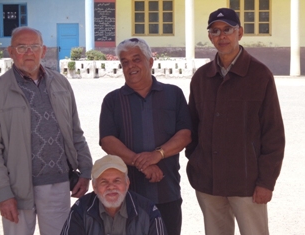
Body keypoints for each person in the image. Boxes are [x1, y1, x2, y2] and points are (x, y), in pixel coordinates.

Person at [186, 8, 285, 235]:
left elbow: (274, 134)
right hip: (209, 183)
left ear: (239, 33)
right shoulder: (201, 77)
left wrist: (266, 182)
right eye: (215, 31)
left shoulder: (260, 75)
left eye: (228, 30)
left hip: (247, 184)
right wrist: (199, 161)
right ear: (210, 36)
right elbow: (192, 126)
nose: (222, 36)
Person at [0, 26, 92, 235]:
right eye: (21, 47)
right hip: (17, 189)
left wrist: (86, 170)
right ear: (10, 52)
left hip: (58, 184)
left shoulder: (61, 84)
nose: (29, 52)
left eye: (34, 46)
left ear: (43, 50)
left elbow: (75, 132)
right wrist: (3, 193)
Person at [99, 38, 191, 235]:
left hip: (167, 190)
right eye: (125, 62)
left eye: (136, 59)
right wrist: (142, 162)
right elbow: (107, 140)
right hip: (126, 196)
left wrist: (157, 155)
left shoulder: (173, 94)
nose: (131, 65)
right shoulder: (112, 100)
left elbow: (185, 134)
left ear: (150, 61)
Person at [61, 154, 167, 235]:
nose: (111, 187)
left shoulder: (148, 211)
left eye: (117, 181)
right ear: (94, 187)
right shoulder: (81, 210)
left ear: (127, 183)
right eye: (104, 182)